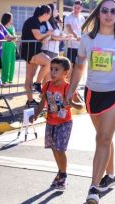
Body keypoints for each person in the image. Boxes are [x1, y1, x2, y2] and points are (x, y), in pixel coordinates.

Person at [66, 0, 115, 204]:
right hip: (93, 93)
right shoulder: (88, 38)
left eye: (113, 11)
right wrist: (71, 90)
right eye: (105, 10)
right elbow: (79, 66)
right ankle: (111, 175)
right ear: (98, 13)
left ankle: (94, 188)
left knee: (103, 138)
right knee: (104, 137)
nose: (109, 14)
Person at [30, 57, 83, 190]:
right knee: (54, 148)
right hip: (50, 122)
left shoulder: (68, 88)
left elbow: (80, 106)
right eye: (51, 69)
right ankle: (60, 171)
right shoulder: (47, 85)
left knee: (60, 149)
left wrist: (71, 102)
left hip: (64, 123)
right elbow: (43, 102)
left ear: (66, 72)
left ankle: (64, 175)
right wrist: (36, 114)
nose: (52, 72)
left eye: (56, 70)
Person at [20, 5, 54, 107]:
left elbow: (40, 37)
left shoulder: (39, 22)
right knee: (49, 62)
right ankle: (38, 84)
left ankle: (30, 101)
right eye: (50, 13)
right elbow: (38, 36)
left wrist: (46, 35)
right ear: (45, 14)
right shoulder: (33, 21)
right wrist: (48, 33)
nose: (50, 16)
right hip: (30, 51)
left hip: (34, 50)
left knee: (29, 77)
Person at [39, 4, 72, 87]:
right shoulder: (46, 23)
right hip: (47, 50)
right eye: (55, 9)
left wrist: (66, 36)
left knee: (50, 75)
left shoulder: (55, 23)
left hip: (55, 50)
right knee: (47, 74)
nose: (57, 11)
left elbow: (60, 34)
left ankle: (44, 93)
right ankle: (41, 90)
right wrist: (63, 38)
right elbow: (52, 37)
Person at [64, 0, 85, 68]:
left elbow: (83, 30)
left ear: (81, 8)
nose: (76, 9)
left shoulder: (82, 18)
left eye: (78, 8)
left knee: (78, 66)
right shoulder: (68, 16)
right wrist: (77, 37)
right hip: (70, 45)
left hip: (79, 46)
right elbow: (68, 28)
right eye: (74, 7)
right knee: (69, 65)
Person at [0, 12, 17, 85]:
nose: (12, 19)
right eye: (11, 17)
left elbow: (14, 37)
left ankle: (10, 78)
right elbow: (8, 36)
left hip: (12, 46)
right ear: (8, 18)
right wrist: (13, 37)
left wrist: (14, 37)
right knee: (6, 62)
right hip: (5, 46)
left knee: (12, 62)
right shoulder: (2, 26)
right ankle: (4, 79)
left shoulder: (12, 27)